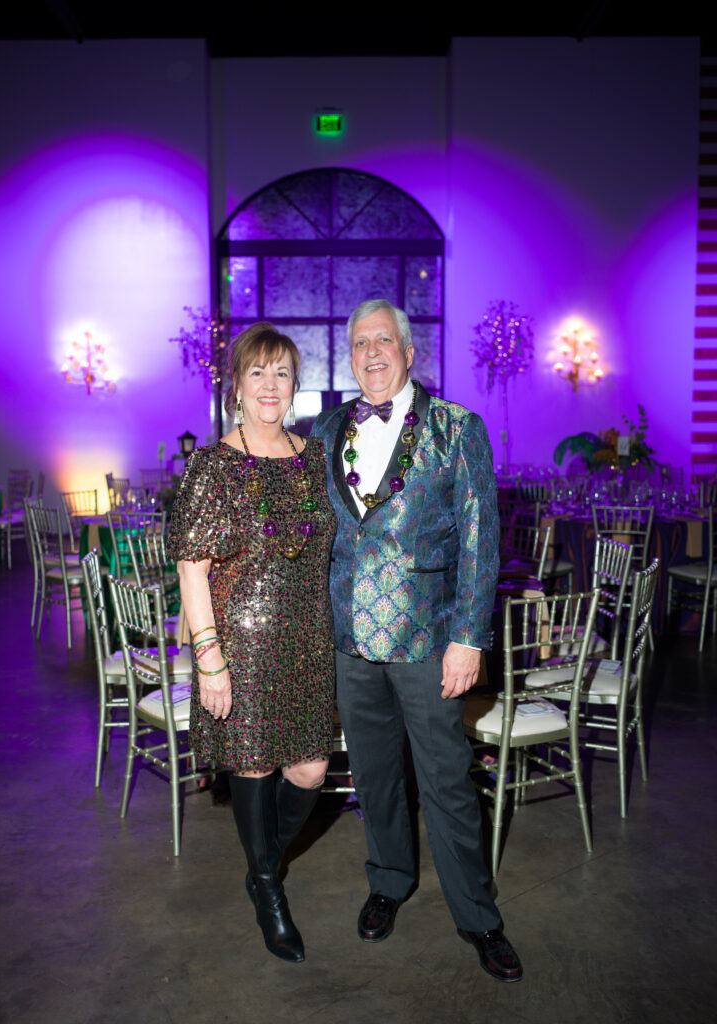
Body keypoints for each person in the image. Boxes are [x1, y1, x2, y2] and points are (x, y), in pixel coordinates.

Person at [311, 299, 523, 983]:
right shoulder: (323, 431)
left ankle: (479, 917)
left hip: (431, 641)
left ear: (409, 352)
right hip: (351, 643)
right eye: (359, 344)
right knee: (374, 778)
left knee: (446, 783)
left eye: (383, 341)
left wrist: (469, 638)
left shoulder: (457, 429)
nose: (371, 353)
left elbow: (479, 542)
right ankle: (389, 880)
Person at [167, 322, 335, 964]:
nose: (271, 385)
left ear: (296, 385)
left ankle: (262, 862)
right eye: (258, 373)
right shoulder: (213, 465)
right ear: (236, 386)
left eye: (283, 373)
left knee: (311, 768)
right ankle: (268, 888)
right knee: (257, 766)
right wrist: (210, 660)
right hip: (243, 643)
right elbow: (192, 568)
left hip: (310, 638)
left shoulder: (315, 456)